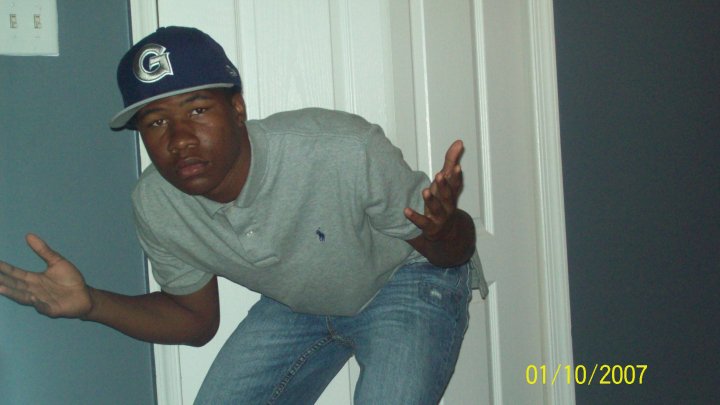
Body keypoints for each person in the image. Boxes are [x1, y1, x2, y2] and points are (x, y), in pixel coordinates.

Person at [0, 26, 486, 404]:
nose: (179, 139)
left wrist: (446, 228)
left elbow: (453, 251)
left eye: (196, 110)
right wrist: (91, 304)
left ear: (237, 107)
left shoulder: (342, 148)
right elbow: (195, 322)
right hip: (298, 302)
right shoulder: (157, 204)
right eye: (156, 121)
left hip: (405, 278)